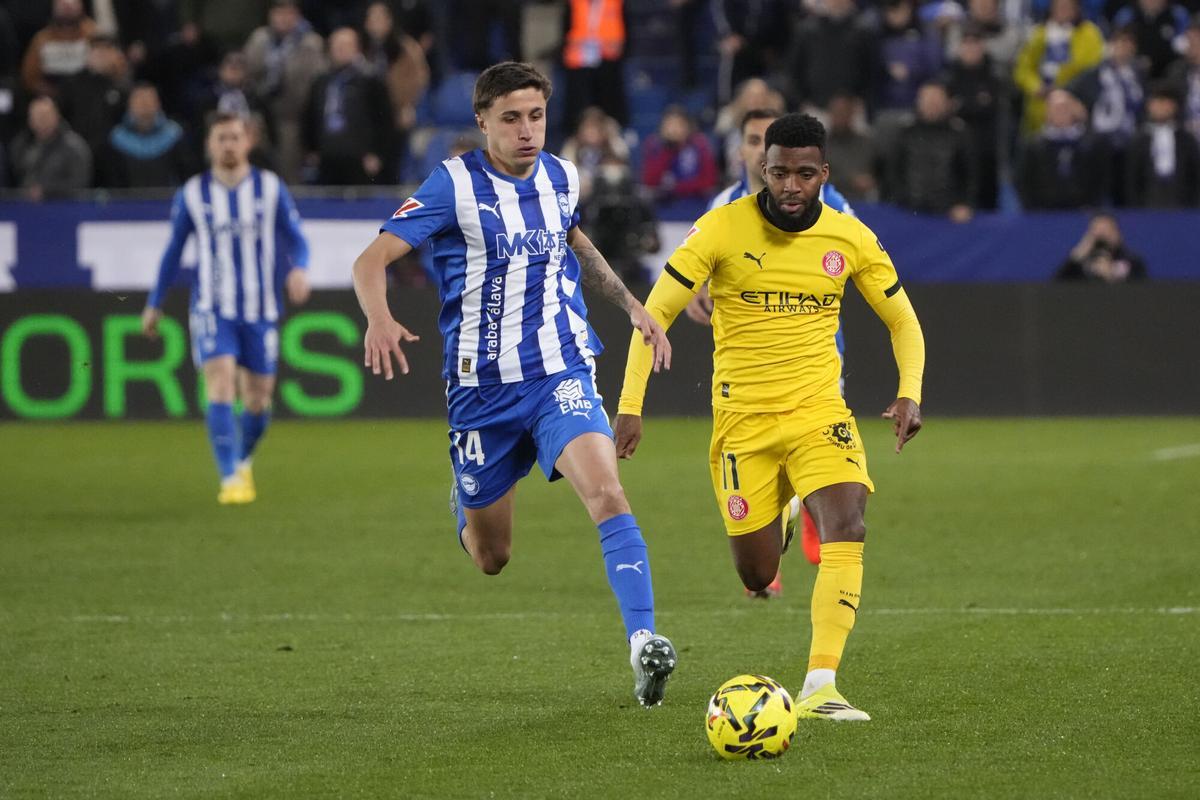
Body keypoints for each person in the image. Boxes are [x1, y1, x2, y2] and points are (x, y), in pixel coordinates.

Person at [350, 62, 678, 708]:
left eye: (536, 116)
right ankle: (464, 505)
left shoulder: (562, 175)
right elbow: (371, 258)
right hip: (482, 393)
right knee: (491, 556)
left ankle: (644, 643)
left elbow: (573, 238)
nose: (527, 131)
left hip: (560, 369)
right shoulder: (452, 186)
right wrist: (380, 315)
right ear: (482, 122)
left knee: (608, 491)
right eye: (511, 119)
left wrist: (631, 305)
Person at [616, 113, 925, 721]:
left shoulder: (848, 236)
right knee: (758, 572)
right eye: (779, 171)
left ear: (823, 175)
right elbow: (656, 312)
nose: (790, 185)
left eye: (804, 174)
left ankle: (820, 686)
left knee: (849, 526)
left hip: (819, 410)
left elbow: (903, 319)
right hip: (743, 423)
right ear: (763, 168)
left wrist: (910, 390)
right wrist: (630, 406)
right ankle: (781, 517)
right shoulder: (721, 228)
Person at [686, 106, 859, 591]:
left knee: (811, 449)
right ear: (747, 153)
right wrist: (696, 292)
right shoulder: (724, 206)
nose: (760, 145)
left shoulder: (831, 203)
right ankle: (777, 535)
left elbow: (851, 255)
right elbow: (692, 270)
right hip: (748, 368)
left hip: (816, 359)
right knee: (758, 462)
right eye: (752, 138)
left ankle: (811, 523)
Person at [141, 112, 311, 504]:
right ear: (210, 145)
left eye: (235, 137)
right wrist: (155, 303)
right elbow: (172, 253)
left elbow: (298, 239)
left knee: (258, 398)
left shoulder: (270, 189)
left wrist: (299, 269)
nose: (229, 145)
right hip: (212, 307)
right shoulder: (193, 194)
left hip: (260, 308)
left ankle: (242, 458)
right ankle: (230, 478)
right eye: (221, 138)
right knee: (219, 382)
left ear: (247, 141)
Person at [9, 95, 93, 200]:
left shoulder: (74, 147)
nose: (40, 120)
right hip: (22, 208)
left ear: (56, 116)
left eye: (45, 115)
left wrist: (47, 191)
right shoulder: (20, 144)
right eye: (36, 116)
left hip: (62, 208)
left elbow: (80, 183)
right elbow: (13, 178)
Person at [1055, 213, 1148, 281]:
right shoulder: (1078, 263)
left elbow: (1143, 291)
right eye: (1097, 231)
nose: (1102, 236)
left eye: (1106, 231)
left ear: (1117, 233)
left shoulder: (1132, 261)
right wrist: (1075, 257)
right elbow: (1055, 288)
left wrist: (1111, 276)